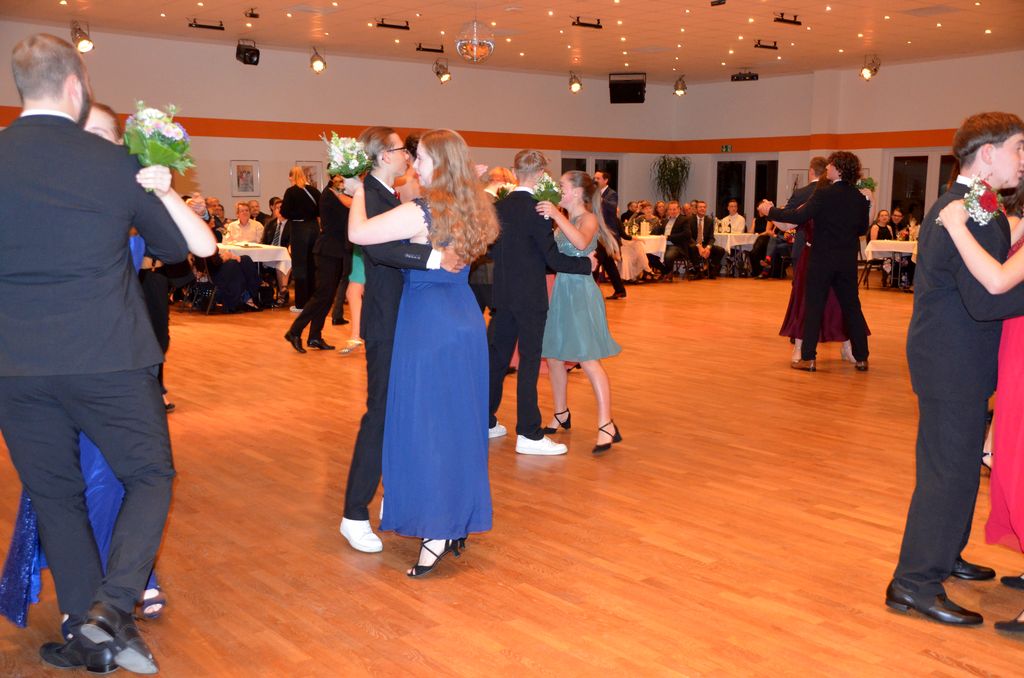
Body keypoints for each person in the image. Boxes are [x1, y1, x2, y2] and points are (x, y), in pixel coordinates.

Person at [0, 34, 217, 675]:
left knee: (55, 496)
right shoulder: (114, 163)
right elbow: (174, 252)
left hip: (14, 365)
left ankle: (85, 631)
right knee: (149, 475)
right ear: (76, 86)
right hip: (109, 358)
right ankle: (113, 607)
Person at [886, 111, 1024, 628]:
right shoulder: (965, 213)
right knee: (946, 472)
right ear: (987, 154)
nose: (1023, 160)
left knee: (962, 466)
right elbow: (986, 301)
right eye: (1018, 148)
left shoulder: (976, 207)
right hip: (951, 362)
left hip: (958, 357)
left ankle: (946, 554)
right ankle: (915, 582)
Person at [347, 128, 496, 576]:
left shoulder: (423, 210)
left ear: (440, 165)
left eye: (423, 159)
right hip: (464, 316)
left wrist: (358, 190)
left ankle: (436, 530)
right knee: (459, 424)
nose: (416, 165)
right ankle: (456, 519)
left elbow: (360, 233)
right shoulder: (473, 205)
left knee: (429, 426)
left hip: (429, 321)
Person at [339, 127, 462, 554]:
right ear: (381, 155)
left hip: (406, 318)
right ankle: (354, 513)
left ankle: (398, 498)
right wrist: (434, 257)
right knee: (380, 413)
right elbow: (378, 250)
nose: (407, 157)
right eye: (399, 150)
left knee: (401, 412)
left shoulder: (385, 193)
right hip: (387, 320)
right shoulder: (371, 193)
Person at [487, 150, 594, 456]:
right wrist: (586, 265)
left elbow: (491, 249)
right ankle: (529, 433)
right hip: (529, 299)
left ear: (515, 171)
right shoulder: (538, 210)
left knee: (497, 360)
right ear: (540, 174)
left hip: (502, 295)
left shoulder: (499, 206)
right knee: (530, 362)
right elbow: (552, 259)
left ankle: (485, 420)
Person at [536, 171, 623, 454]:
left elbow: (582, 243)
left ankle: (606, 424)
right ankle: (561, 412)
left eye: (561, 186)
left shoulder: (587, 219)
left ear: (576, 192)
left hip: (581, 294)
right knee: (554, 356)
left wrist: (555, 215)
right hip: (562, 290)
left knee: (587, 359)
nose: (557, 189)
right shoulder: (564, 220)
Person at [760, 152, 870, 371]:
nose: (827, 167)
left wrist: (769, 211)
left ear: (839, 169)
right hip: (846, 261)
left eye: (831, 164)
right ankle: (861, 358)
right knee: (852, 307)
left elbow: (798, 217)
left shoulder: (824, 193)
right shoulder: (859, 197)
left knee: (814, 306)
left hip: (821, 259)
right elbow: (861, 229)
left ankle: (808, 358)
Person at [777, 172, 864, 365]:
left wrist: (769, 211)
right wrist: (771, 212)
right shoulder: (814, 204)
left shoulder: (827, 203)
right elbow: (787, 223)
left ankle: (816, 353)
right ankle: (804, 350)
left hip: (821, 258)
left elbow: (790, 220)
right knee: (810, 303)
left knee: (826, 305)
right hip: (813, 257)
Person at [283, 172, 352, 352]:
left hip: (336, 250)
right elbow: (352, 205)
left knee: (327, 296)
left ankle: (314, 336)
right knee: (322, 295)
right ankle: (294, 331)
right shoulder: (332, 192)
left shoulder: (338, 192)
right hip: (327, 251)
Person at [281, 165, 321, 311]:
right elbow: (320, 210)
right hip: (314, 229)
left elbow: (284, 212)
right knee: (312, 265)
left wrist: (296, 214)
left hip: (299, 230)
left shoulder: (290, 192)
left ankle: (301, 303)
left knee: (300, 266)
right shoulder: (314, 191)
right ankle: (313, 301)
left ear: (291, 177)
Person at [593, 170, 627, 300]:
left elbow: (612, 208)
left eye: (598, 178)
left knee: (597, 261)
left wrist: (598, 198)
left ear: (605, 180)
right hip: (597, 233)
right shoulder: (595, 193)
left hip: (608, 235)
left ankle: (592, 291)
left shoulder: (612, 194)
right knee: (608, 263)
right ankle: (620, 290)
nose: (595, 180)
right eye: (594, 178)